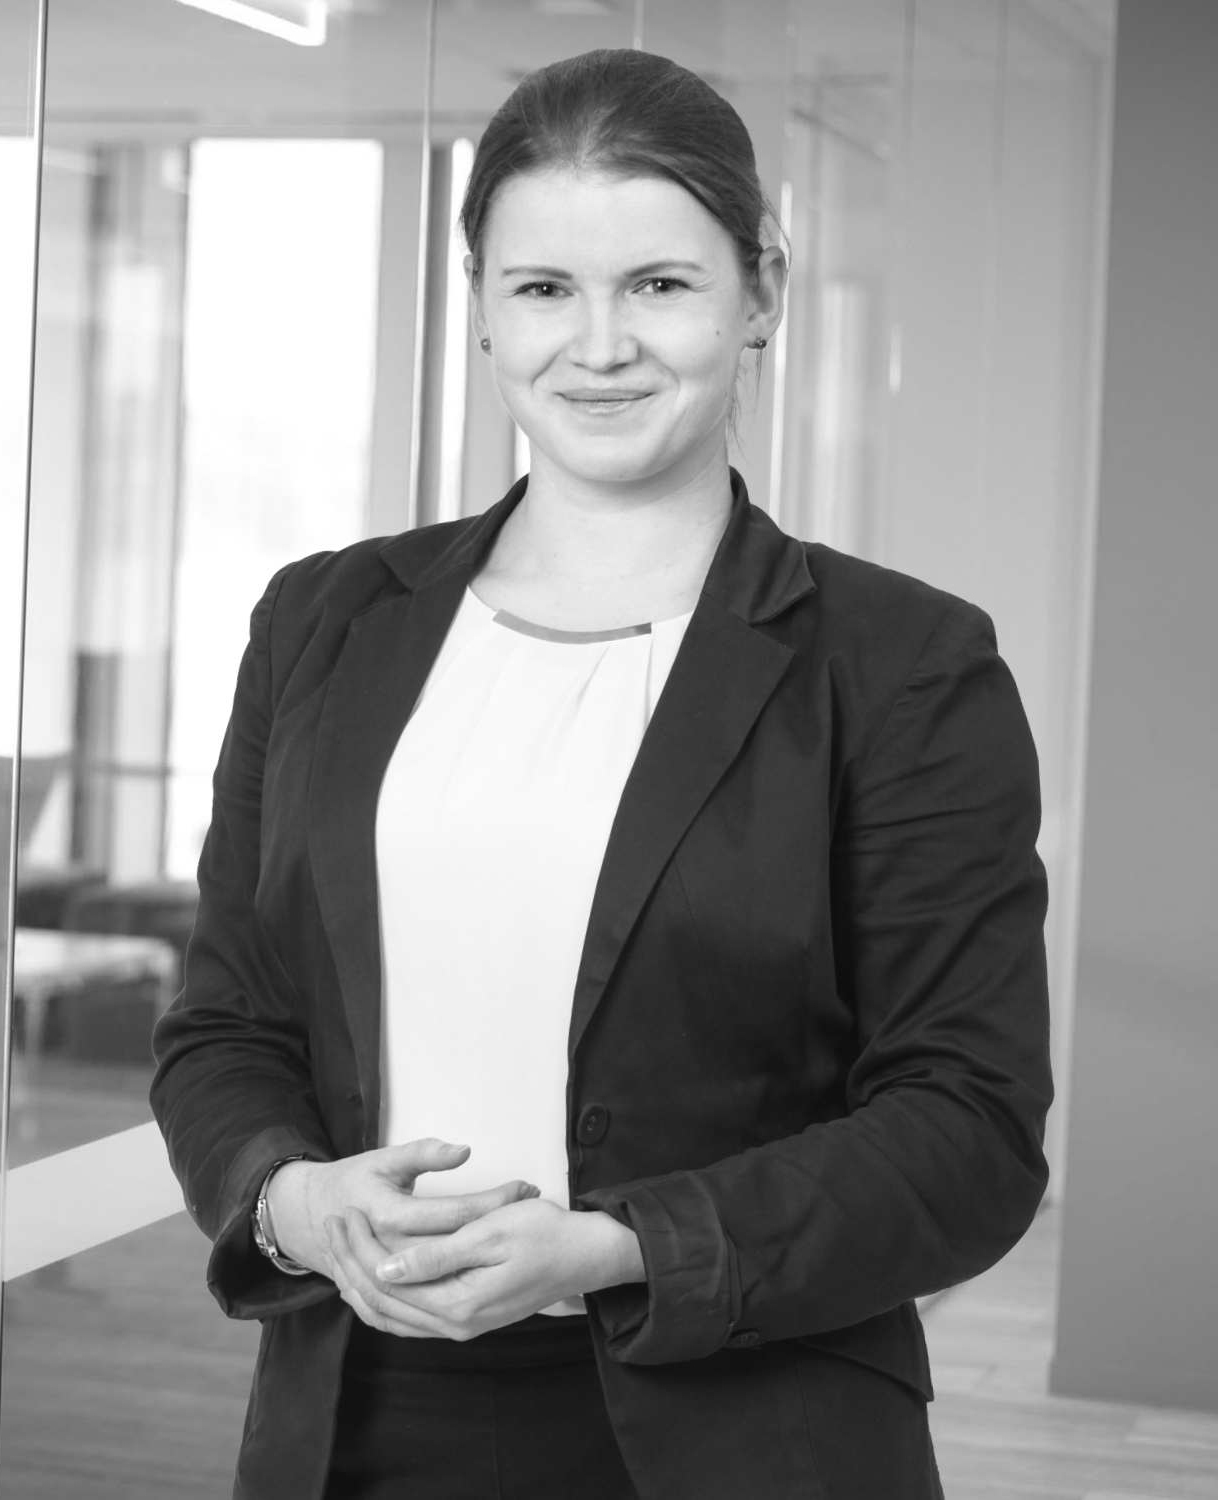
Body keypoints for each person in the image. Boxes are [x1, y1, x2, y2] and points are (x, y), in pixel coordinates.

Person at [150, 46, 1053, 1500]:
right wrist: (292, 1201)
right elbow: (224, 1026)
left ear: (761, 293)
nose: (600, 345)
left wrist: (619, 1246)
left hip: (749, 1435)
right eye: (543, 288)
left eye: (660, 284)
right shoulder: (321, 623)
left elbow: (969, 1131)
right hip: (353, 1419)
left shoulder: (900, 666)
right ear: (481, 307)